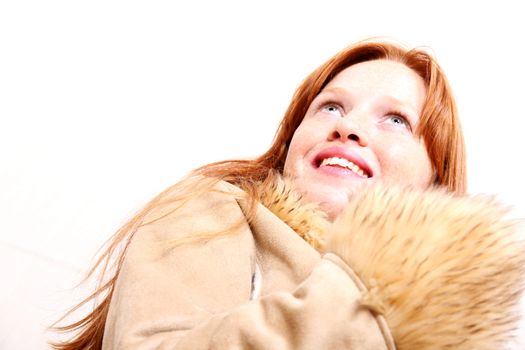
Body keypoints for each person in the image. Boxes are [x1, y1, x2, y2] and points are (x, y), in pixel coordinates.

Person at [52, 39, 525, 349]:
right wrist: (368, 299)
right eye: (330, 106)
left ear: (436, 181)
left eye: (396, 119)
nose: (348, 126)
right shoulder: (218, 209)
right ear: (292, 140)